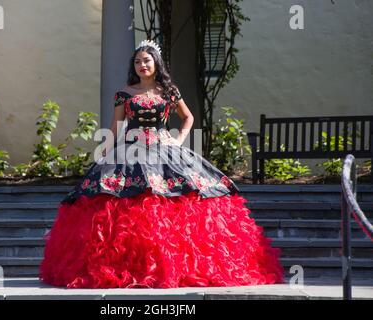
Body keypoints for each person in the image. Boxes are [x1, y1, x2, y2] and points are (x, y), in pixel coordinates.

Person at [39, 40, 284, 288]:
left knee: (177, 198)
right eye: (137, 62)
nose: (142, 65)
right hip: (129, 152)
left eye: (146, 60)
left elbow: (187, 117)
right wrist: (106, 150)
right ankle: (128, 268)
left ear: (156, 63)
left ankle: (172, 267)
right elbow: (116, 125)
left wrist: (178, 140)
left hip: (165, 150)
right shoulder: (124, 93)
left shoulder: (169, 91)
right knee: (120, 202)